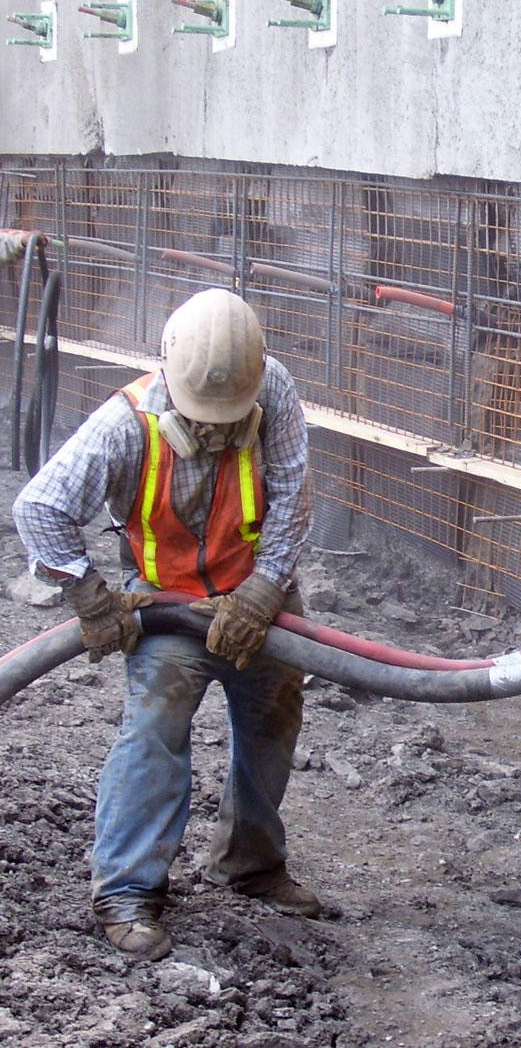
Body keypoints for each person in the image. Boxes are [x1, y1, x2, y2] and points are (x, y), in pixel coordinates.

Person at [12, 287, 320, 962]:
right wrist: (91, 596)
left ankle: (252, 865)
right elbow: (40, 507)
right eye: (200, 419)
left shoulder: (274, 390)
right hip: (164, 606)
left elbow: (295, 495)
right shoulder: (126, 423)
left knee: (273, 721)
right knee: (155, 731)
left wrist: (264, 592)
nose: (212, 431)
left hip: (257, 598)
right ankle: (126, 890)